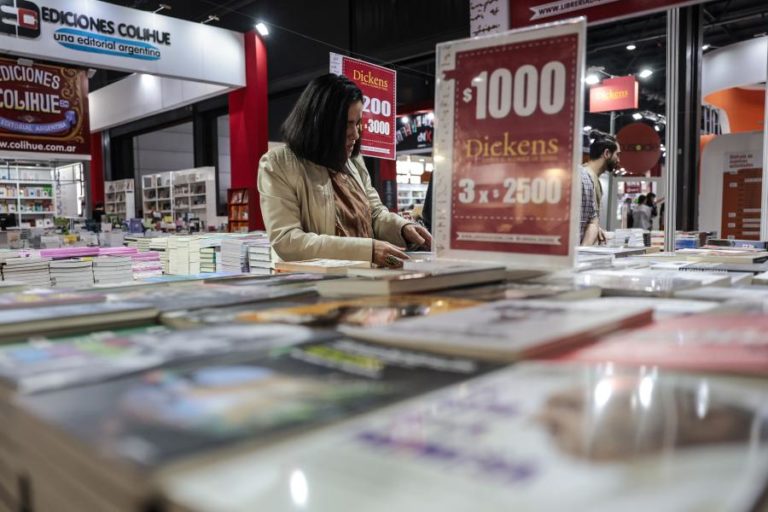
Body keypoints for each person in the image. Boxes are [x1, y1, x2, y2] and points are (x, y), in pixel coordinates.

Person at [258, 74, 432, 268]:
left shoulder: (354, 161)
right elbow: (288, 241)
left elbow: (374, 213)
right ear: (319, 122)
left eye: (358, 123)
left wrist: (402, 228)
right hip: (316, 289)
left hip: (364, 281)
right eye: (347, 124)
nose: (356, 134)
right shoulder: (278, 164)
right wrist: (367, 251)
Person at [580, 130, 621, 245]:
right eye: (617, 154)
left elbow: (590, 220)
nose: (619, 160)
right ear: (607, 153)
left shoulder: (593, 178)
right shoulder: (586, 178)